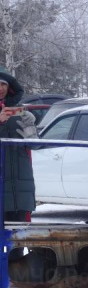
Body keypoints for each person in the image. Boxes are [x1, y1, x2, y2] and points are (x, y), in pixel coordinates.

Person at [0, 68, 38, 223]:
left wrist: (30, 129)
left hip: (21, 188)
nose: (0, 88)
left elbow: (34, 146)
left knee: (19, 239)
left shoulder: (20, 113)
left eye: (3, 84)